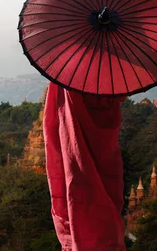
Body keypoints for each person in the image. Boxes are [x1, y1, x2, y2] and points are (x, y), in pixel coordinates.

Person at [44, 82, 127, 251]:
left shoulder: (64, 71)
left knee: (75, 185)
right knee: (103, 202)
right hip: (102, 142)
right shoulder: (111, 67)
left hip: (72, 141)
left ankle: (76, 241)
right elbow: (122, 97)